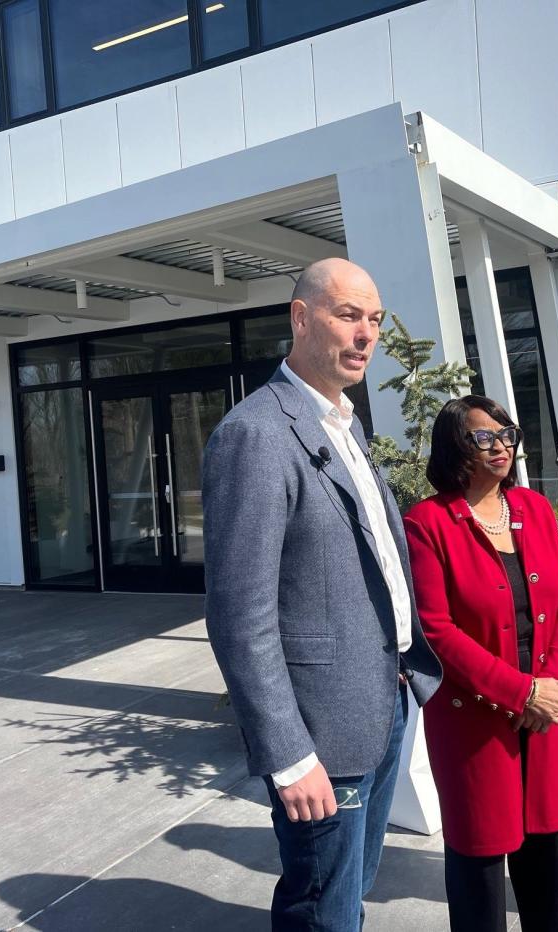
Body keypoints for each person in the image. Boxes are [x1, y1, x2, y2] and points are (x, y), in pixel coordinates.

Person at [201, 258, 443, 931]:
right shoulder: (256, 435)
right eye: (348, 315)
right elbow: (238, 617)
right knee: (322, 908)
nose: (366, 334)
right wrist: (287, 753)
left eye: (373, 319)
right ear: (301, 318)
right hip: (321, 729)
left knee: (350, 888)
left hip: (384, 698)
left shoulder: (345, 423)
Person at [403, 395, 558, 932]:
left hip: (546, 712)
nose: (501, 446)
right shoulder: (427, 522)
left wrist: (557, 683)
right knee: (479, 861)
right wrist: (521, 692)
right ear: (455, 445)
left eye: (508, 434)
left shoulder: (534, 508)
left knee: (548, 853)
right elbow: (435, 630)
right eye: (485, 437)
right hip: (474, 721)